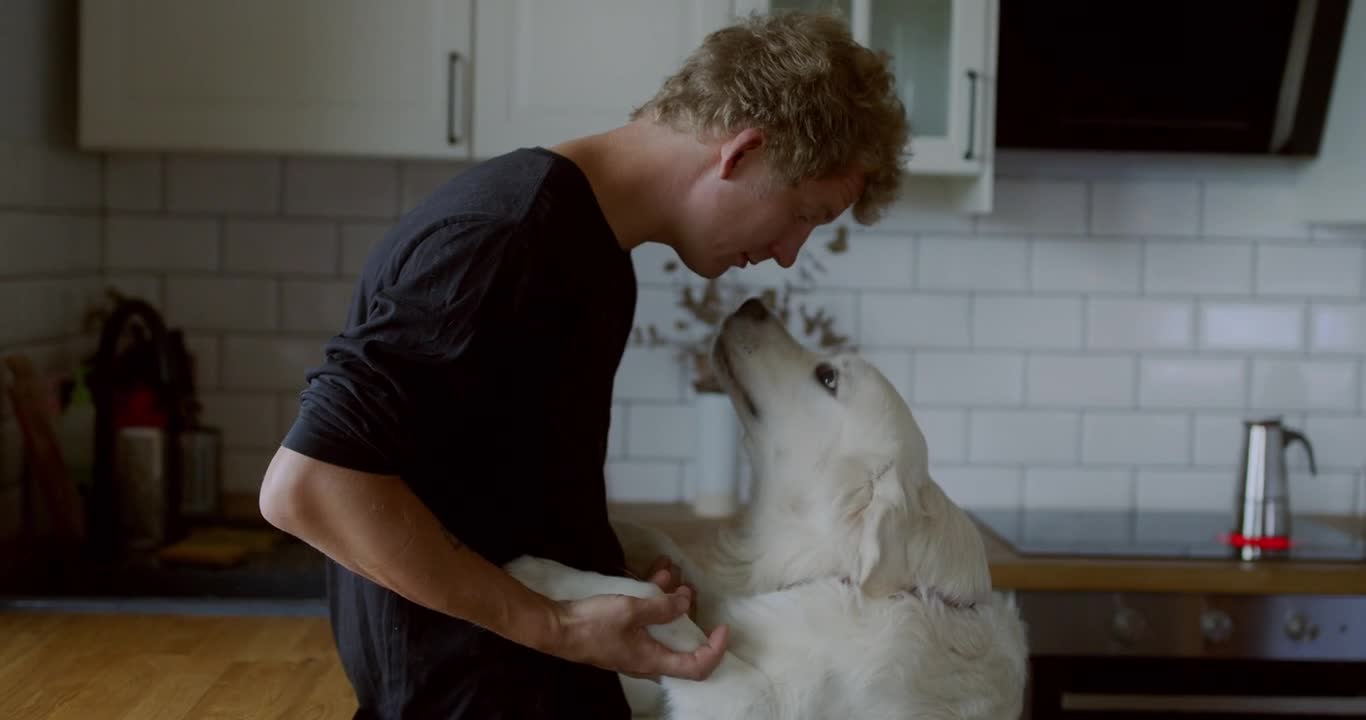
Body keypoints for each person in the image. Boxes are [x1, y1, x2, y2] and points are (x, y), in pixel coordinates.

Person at [258, 9, 909, 719]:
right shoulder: (508, 239)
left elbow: (485, 498)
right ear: (742, 152)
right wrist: (557, 625)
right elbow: (312, 486)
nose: (789, 253)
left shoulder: (591, 254)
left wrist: (604, 574)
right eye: (805, 214)